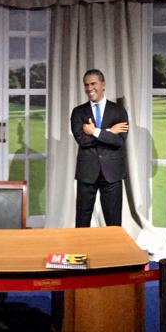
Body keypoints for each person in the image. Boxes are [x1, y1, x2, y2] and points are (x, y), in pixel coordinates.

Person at [70, 69, 129, 227]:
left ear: (103, 84)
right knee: (82, 221)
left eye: (93, 84)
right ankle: (81, 245)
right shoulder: (78, 112)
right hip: (87, 172)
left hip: (112, 173)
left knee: (114, 222)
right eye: (86, 85)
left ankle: (112, 246)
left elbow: (119, 141)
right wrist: (109, 131)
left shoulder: (118, 111)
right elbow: (82, 141)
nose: (89, 88)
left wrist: (94, 131)